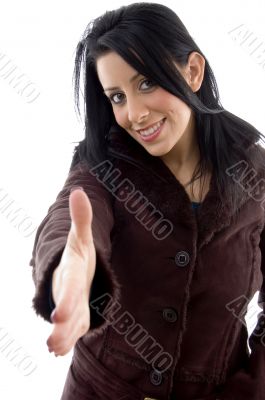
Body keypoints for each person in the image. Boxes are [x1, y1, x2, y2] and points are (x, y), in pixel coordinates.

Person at [29, 2, 265, 399]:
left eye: (145, 84)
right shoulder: (102, 165)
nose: (134, 113)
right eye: (117, 97)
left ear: (192, 71)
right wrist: (69, 270)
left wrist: (250, 387)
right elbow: (70, 219)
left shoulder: (254, 173)